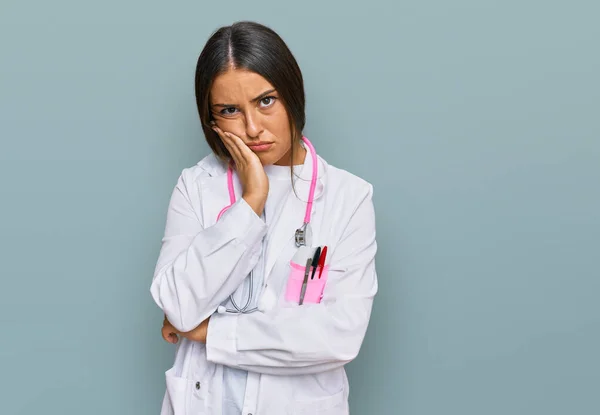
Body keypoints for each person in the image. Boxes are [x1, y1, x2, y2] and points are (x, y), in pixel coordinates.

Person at [150, 20, 378, 415]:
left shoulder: (348, 197)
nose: (253, 127)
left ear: (293, 95)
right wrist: (251, 202)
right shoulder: (196, 186)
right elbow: (177, 305)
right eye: (230, 110)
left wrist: (211, 333)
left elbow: (339, 335)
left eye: (266, 101)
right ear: (212, 120)